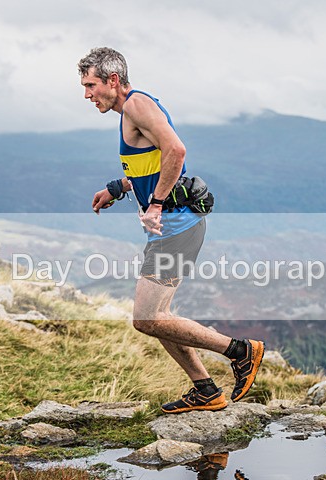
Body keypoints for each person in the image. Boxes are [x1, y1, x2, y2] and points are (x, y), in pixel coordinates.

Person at [77, 47, 265, 413]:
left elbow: (176, 152)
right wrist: (119, 188)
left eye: (91, 85)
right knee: (158, 318)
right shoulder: (131, 110)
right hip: (171, 227)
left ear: (112, 81)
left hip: (176, 225)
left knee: (146, 318)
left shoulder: (136, 105)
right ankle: (206, 390)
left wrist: (157, 203)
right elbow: (153, 161)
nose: (87, 95)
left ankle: (241, 351)